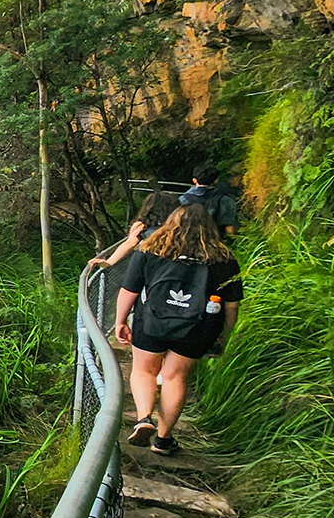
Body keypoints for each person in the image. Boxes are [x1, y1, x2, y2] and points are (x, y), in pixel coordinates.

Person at [114, 203, 243, 455]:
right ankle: (163, 440)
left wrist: (120, 321)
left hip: (151, 322)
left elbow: (128, 289)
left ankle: (143, 418)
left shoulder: (149, 250)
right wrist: (225, 334)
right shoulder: (224, 259)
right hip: (197, 328)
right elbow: (232, 304)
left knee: (144, 371)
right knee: (175, 377)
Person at [90, 187, 173, 267]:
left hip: (147, 265)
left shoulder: (141, 226)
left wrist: (109, 262)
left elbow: (129, 243)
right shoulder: (174, 227)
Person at [180, 162, 239, 237]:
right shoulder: (226, 200)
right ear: (216, 180)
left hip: (188, 242)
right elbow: (230, 228)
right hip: (215, 243)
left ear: (194, 180)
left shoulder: (182, 200)